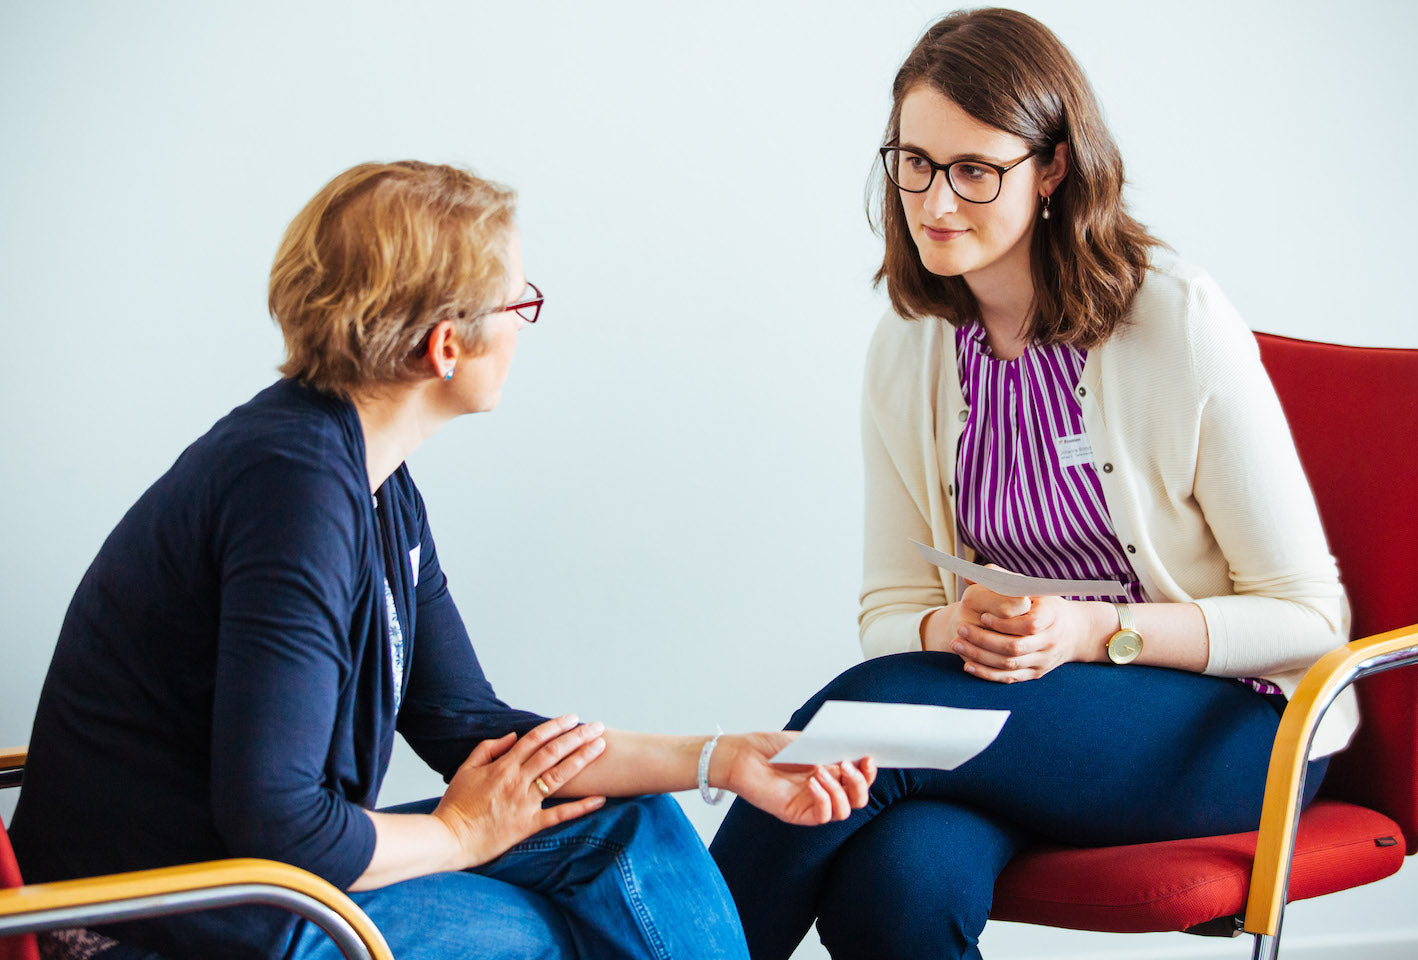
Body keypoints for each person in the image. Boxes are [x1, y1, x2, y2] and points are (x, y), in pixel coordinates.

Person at [9, 160, 876, 960]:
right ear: (445, 345)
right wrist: (463, 836)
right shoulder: (293, 490)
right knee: (555, 933)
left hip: (254, 889)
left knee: (631, 826)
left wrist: (721, 756)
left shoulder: (373, 481)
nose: (524, 325)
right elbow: (277, 827)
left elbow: (468, 723)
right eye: (517, 303)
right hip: (156, 919)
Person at [708, 9, 1356, 959]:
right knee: (895, 887)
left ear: (1053, 169)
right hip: (1025, 728)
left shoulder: (1174, 321)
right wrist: (948, 627)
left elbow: (1310, 620)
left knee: (870, 720)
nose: (934, 200)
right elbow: (890, 609)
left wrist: (1095, 630)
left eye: (976, 170)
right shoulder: (910, 351)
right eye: (914, 162)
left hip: (1238, 733)